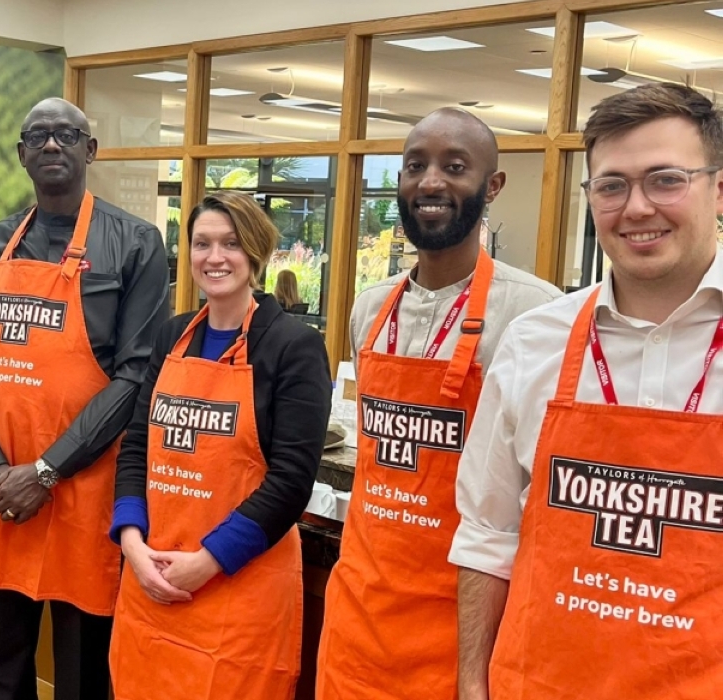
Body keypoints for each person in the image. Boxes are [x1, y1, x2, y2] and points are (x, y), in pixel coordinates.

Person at [451, 83, 723, 700]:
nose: (636, 208)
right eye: (611, 185)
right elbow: (488, 535)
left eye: (666, 180)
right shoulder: (534, 342)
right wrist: (471, 685)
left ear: (719, 188)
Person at [316, 108, 562, 700]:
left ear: (492, 185)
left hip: (463, 627)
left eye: (454, 167)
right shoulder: (370, 308)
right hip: (358, 613)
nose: (430, 182)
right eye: (415, 166)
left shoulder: (537, 315)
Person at [0, 97, 169, 700]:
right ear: (21, 154)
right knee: (0, 667)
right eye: (37, 135)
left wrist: (45, 471)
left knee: (83, 672)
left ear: (90, 150)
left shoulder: (137, 243)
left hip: (84, 493)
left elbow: (135, 376)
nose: (50, 144)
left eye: (66, 134)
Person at [108, 191, 330, 700]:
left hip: (239, 589)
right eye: (202, 243)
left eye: (231, 243)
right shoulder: (171, 336)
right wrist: (132, 544)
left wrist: (208, 561)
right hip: (152, 579)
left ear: (255, 252)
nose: (215, 257)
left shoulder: (293, 346)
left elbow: (291, 480)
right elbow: (137, 446)